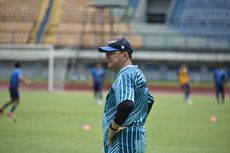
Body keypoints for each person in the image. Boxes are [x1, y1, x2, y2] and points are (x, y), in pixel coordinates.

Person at [98, 37, 154, 153]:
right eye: (106, 53)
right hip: (135, 138)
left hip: (122, 141)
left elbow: (126, 104)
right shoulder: (137, 73)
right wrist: (135, 122)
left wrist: (113, 128)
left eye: (111, 53)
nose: (107, 56)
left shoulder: (125, 75)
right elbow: (150, 100)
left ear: (124, 56)